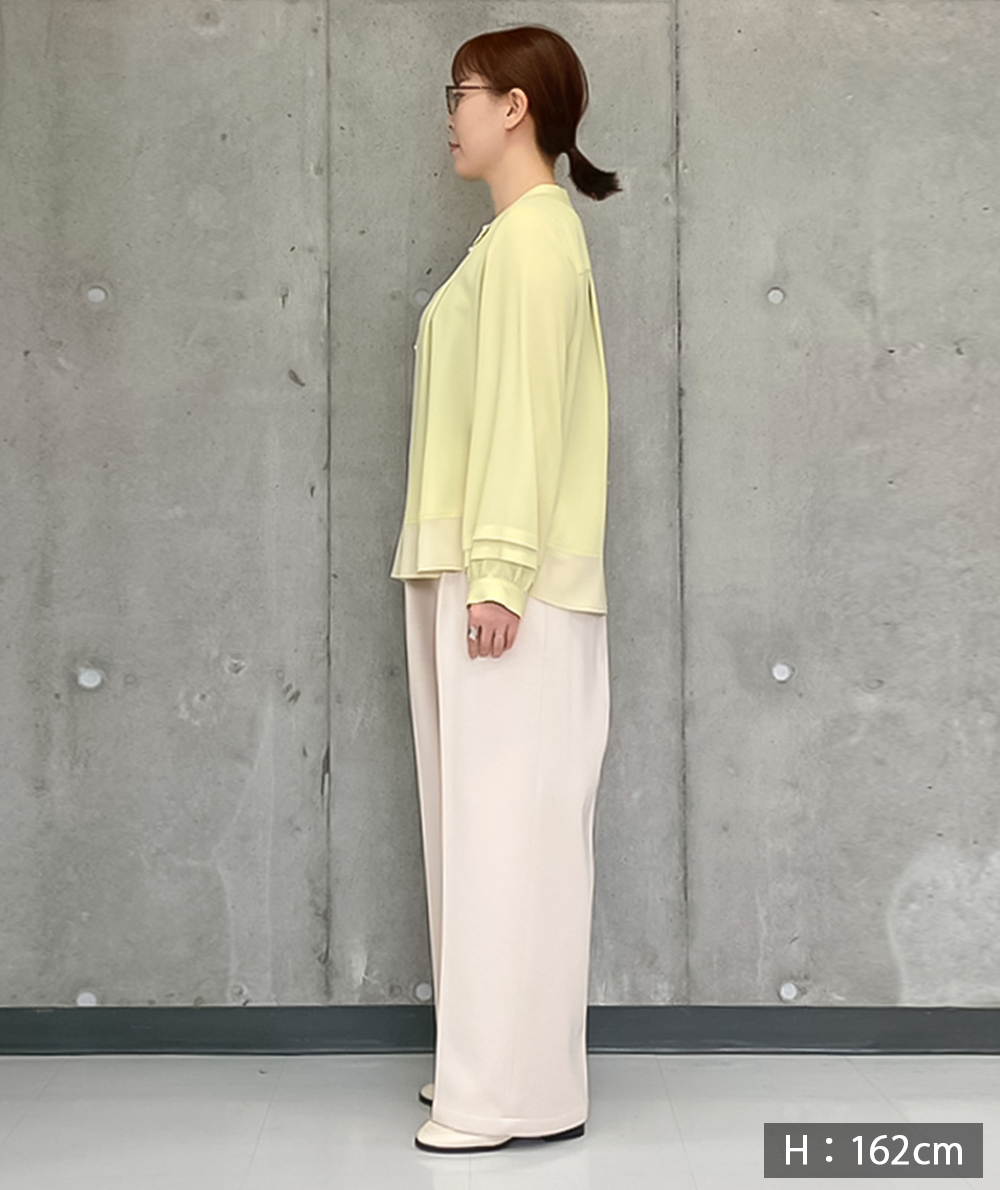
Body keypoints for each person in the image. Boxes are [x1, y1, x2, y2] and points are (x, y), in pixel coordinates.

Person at [388, 24, 621, 1154]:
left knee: (505, 838)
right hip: (479, 573)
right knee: (485, 834)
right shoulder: (514, 237)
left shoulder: (533, 239)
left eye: (461, 92)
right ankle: (491, 1075)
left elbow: (527, 420)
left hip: (504, 586)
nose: (450, 114)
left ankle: (502, 1097)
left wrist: (501, 574)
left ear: (514, 106)